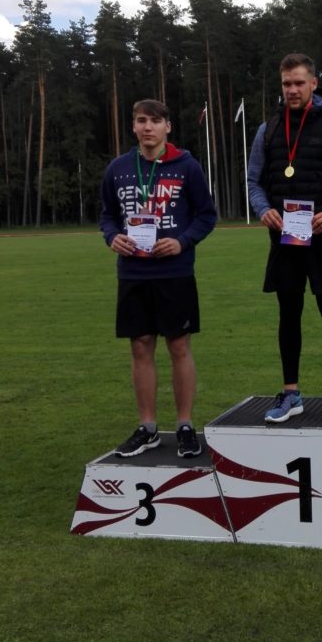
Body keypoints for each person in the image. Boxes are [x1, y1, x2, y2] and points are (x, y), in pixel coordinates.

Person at [247, 53, 322, 424]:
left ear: (314, 83)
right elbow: (253, 180)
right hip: (284, 240)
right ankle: (291, 393)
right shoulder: (267, 130)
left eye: (299, 82)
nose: (292, 90)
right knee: (288, 315)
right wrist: (263, 209)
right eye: (287, 84)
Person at [100, 99, 217, 458]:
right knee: (140, 346)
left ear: (168, 126)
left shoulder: (187, 167)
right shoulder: (118, 168)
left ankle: (184, 426)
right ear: (133, 126)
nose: (147, 127)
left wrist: (182, 241)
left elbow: (206, 215)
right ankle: (147, 427)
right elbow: (107, 216)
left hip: (174, 271)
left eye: (154, 120)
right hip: (133, 272)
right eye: (141, 120)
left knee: (179, 346)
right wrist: (112, 237)